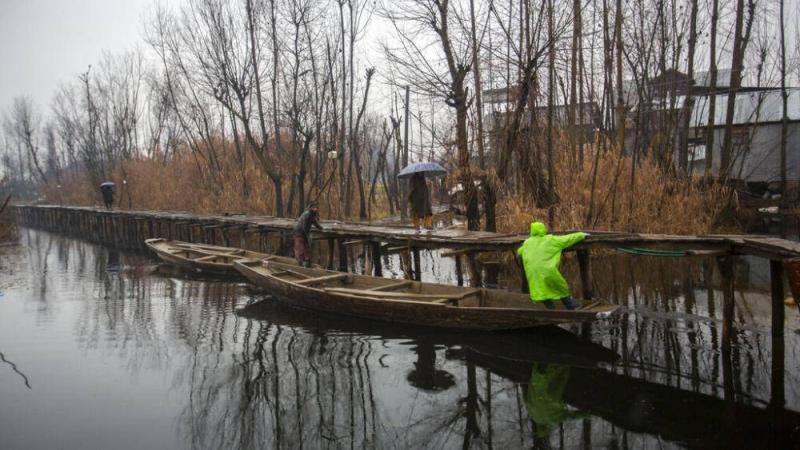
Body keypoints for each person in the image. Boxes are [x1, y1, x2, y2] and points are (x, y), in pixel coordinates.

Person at [516, 221, 587, 310]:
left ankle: (551, 309)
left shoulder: (527, 243)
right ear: (543, 229)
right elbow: (567, 239)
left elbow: (519, 251)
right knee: (560, 286)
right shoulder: (550, 240)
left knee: (540, 290)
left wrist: (521, 252)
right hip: (547, 270)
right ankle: (570, 306)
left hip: (533, 273)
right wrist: (581, 235)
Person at [293, 201, 323, 267]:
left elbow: (314, 222)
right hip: (299, 232)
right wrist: (307, 235)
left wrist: (321, 228)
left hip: (305, 233)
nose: (315, 209)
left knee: (306, 247)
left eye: (316, 208)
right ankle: (299, 263)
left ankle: (306, 262)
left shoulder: (312, 214)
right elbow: (304, 226)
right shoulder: (307, 214)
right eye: (314, 207)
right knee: (300, 248)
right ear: (310, 208)